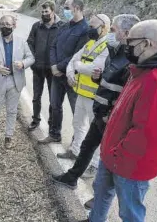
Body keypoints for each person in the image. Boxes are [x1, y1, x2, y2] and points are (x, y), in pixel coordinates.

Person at [86, 19, 157, 222]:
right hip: (112, 153)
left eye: (130, 42)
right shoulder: (140, 69)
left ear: (146, 43)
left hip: (129, 164)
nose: (125, 46)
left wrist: (117, 153)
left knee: (130, 213)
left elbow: (146, 134)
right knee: (101, 196)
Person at [52, 15, 140, 201]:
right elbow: (106, 80)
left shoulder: (131, 58)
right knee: (87, 145)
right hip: (101, 109)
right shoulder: (115, 50)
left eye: (114, 30)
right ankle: (72, 177)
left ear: (126, 32)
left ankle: (99, 198)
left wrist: (112, 112)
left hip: (112, 115)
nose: (111, 34)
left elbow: (127, 91)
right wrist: (97, 78)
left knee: (107, 158)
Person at [56, 14, 111, 178]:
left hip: (95, 97)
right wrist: (71, 72)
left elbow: (94, 67)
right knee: (78, 124)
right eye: (90, 26)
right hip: (81, 92)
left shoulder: (107, 46)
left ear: (104, 27)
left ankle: (93, 165)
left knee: (94, 133)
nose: (90, 29)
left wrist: (77, 66)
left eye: (93, 26)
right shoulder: (90, 43)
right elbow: (74, 59)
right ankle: (75, 151)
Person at [0, 15, 35, 150]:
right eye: (2, 24)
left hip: (15, 81)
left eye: (7, 24)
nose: (4, 26)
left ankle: (8, 138)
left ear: (14, 26)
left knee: (12, 111)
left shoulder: (22, 42)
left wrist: (23, 63)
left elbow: (31, 58)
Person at [39, 0, 89, 143]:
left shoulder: (85, 29)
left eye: (67, 7)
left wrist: (60, 67)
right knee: (55, 106)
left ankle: (76, 142)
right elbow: (53, 46)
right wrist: (54, 66)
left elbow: (78, 54)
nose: (65, 10)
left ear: (77, 8)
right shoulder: (64, 26)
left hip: (72, 76)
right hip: (57, 75)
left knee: (76, 110)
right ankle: (54, 134)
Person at [27, 0, 65, 131]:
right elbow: (30, 43)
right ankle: (35, 119)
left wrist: (58, 65)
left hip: (53, 70)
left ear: (53, 12)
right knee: (36, 96)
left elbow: (64, 47)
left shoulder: (61, 27)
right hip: (37, 68)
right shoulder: (36, 26)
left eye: (46, 11)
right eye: (42, 12)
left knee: (52, 99)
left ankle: (51, 122)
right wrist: (33, 58)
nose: (44, 14)